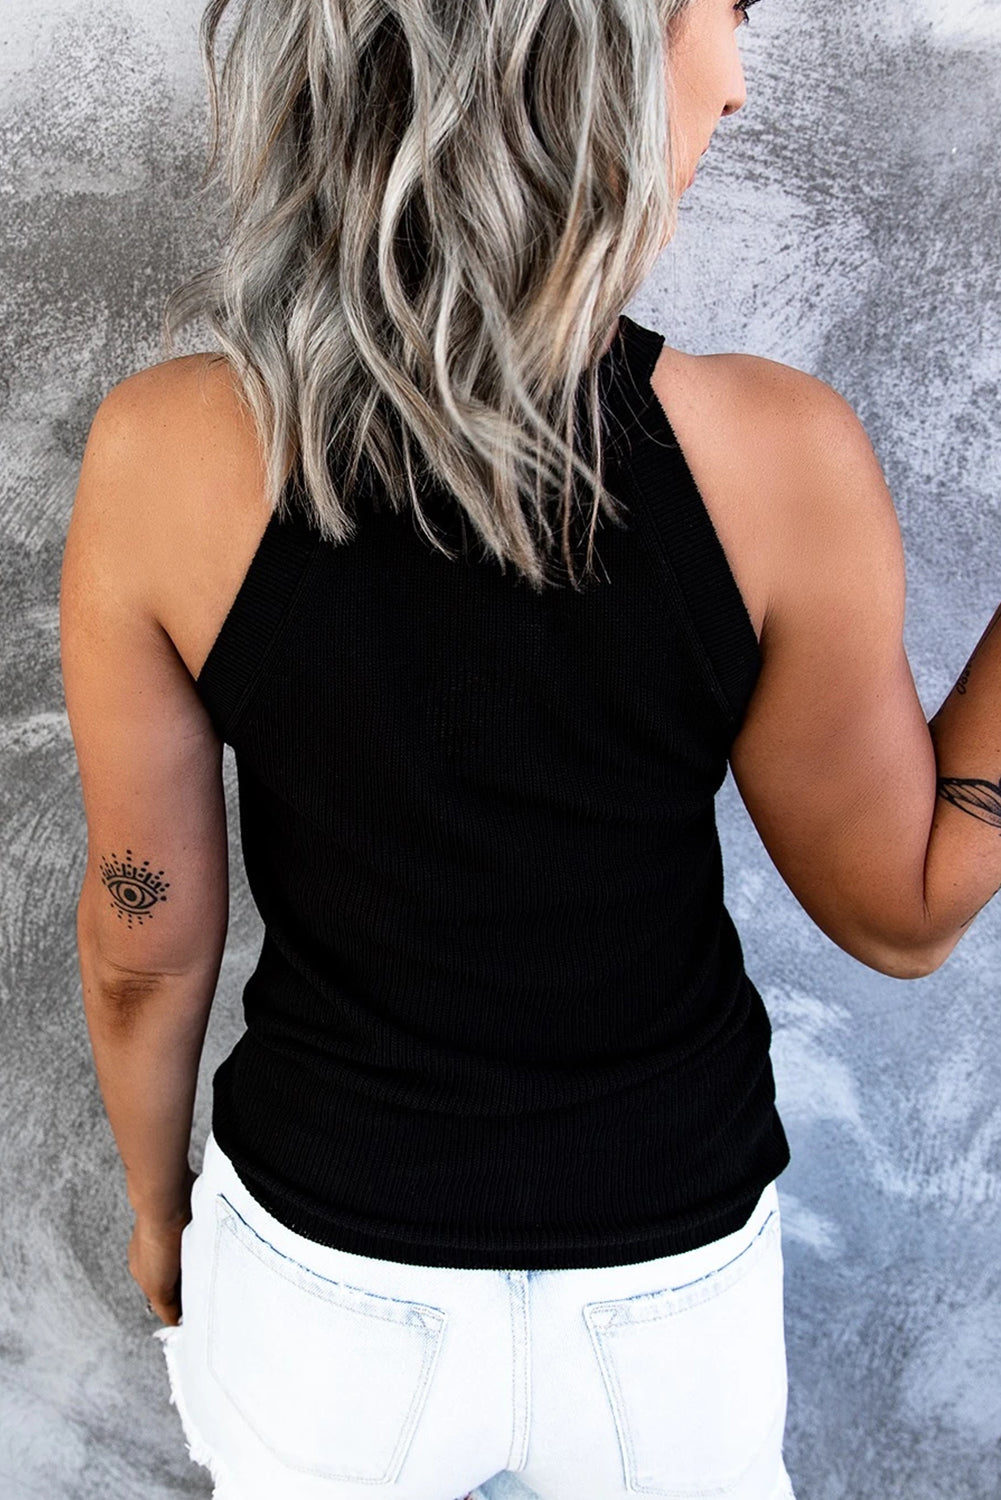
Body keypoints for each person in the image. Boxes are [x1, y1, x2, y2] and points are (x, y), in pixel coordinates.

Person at [58, 0, 1001, 1496]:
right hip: (668, 1291)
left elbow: (144, 946)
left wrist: (156, 1209)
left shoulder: (162, 450)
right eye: (725, 13)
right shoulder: (777, 454)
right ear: (595, 53)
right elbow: (907, 911)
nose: (739, 87)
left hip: (326, 1281)